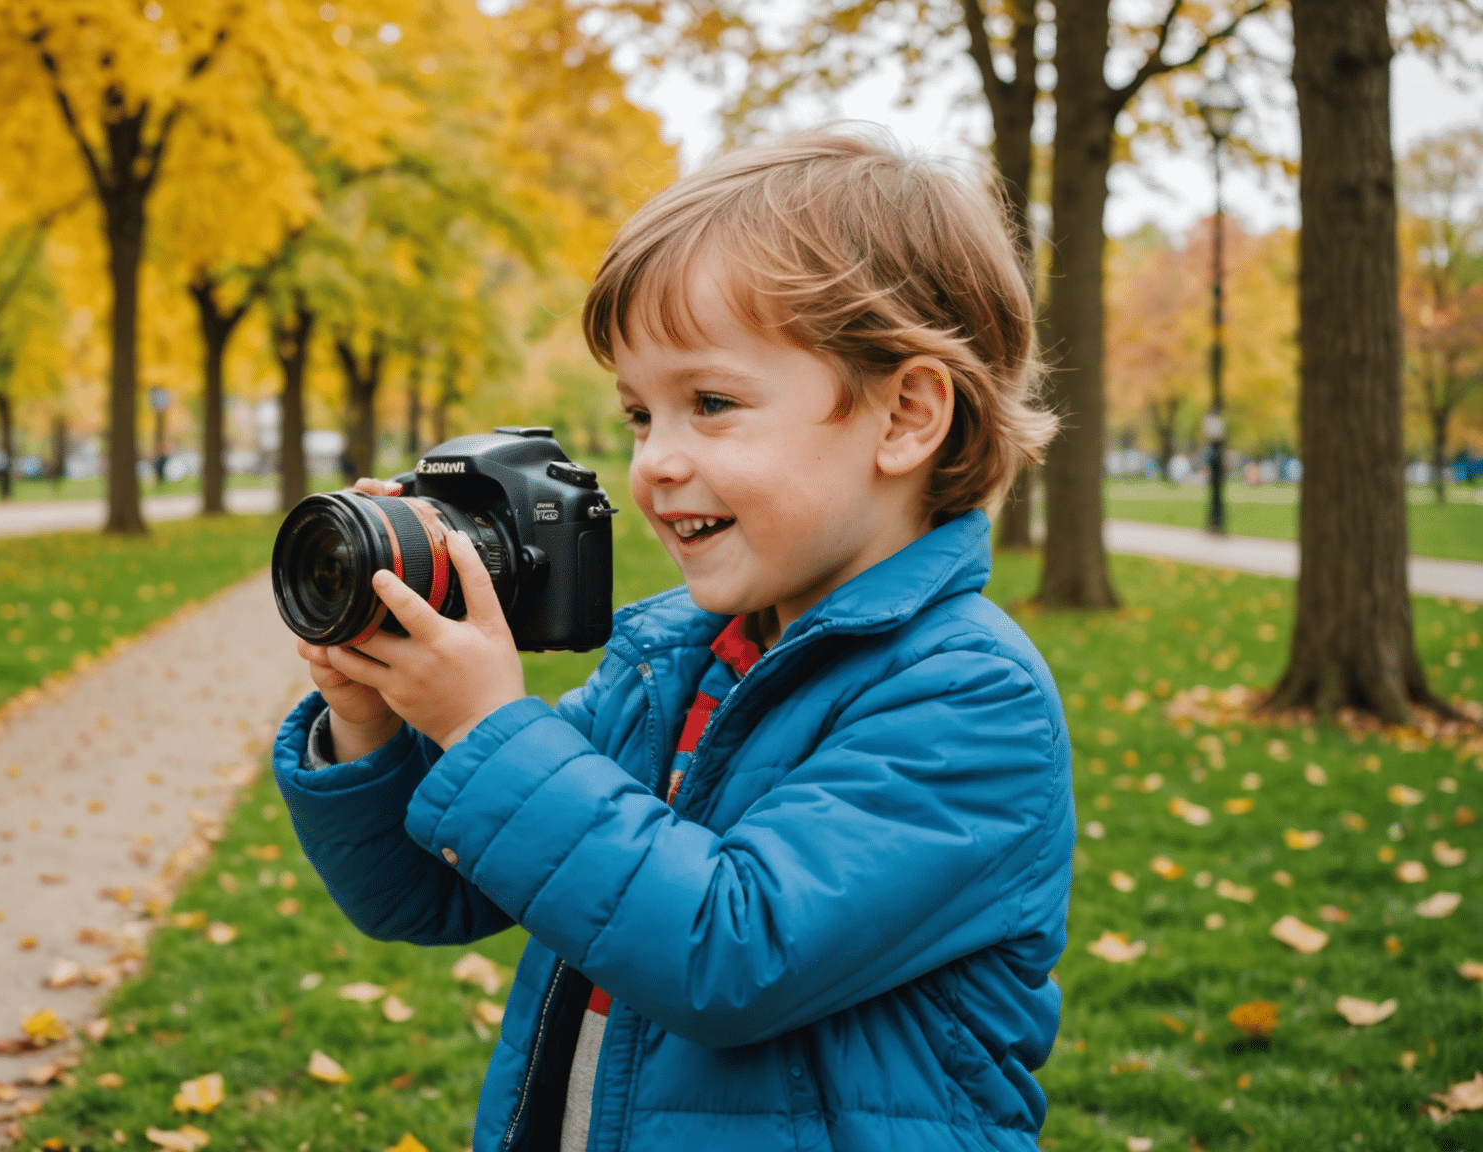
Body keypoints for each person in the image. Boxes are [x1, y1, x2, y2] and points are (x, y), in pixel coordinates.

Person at [271, 125, 1070, 1152]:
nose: (654, 463)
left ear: (906, 415)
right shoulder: (672, 665)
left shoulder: (967, 696)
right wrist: (369, 723)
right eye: (641, 415)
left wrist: (487, 727)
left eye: (711, 403)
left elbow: (730, 951)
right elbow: (421, 894)